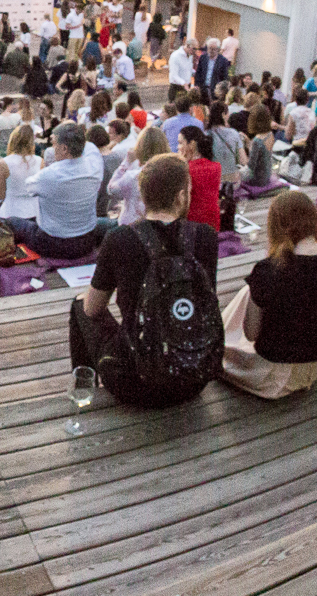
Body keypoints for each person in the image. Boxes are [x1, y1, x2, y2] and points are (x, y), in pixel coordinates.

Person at [73, 154, 216, 407]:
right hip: (194, 377)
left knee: (79, 305)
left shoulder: (120, 239)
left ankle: (83, 388)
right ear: (181, 196)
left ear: (143, 195)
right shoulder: (204, 236)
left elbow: (92, 309)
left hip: (135, 384)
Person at [222, 191, 317, 399]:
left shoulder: (266, 271)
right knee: (249, 293)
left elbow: (251, 334)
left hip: (271, 376)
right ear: (315, 221)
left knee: (224, 346)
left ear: (275, 226)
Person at [4, 123, 112, 260]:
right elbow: (90, 146)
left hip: (52, 244)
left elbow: (26, 189)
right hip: (86, 241)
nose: (52, 149)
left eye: (54, 144)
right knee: (106, 223)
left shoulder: (47, 176)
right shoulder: (95, 164)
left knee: (12, 222)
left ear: (64, 148)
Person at [107, 125, 170, 227]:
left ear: (140, 147)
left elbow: (111, 189)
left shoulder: (133, 176)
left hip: (132, 228)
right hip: (162, 226)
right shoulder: (171, 173)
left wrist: (126, 162)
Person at [0, 124, 44, 222]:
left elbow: (1, 194)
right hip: (34, 212)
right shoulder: (40, 161)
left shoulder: (3, 163)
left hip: (10, 213)